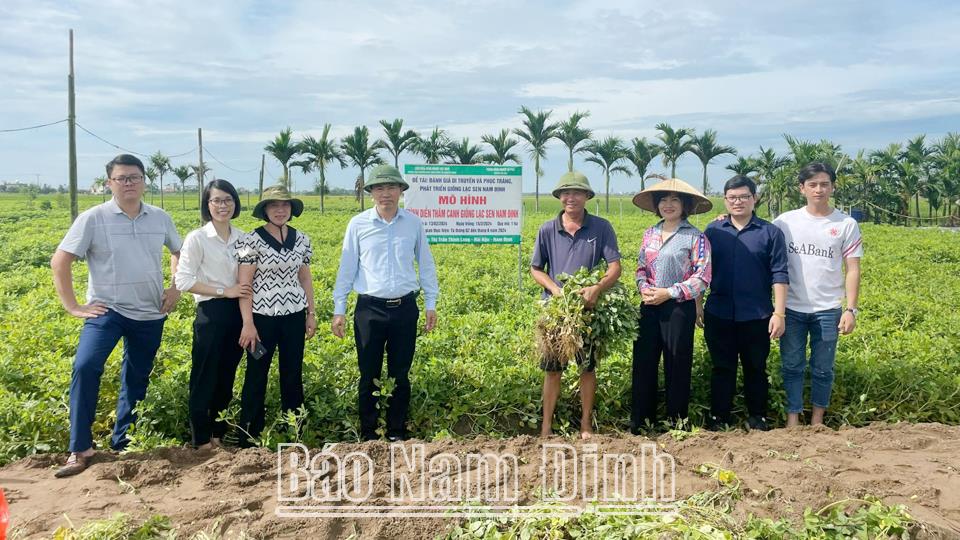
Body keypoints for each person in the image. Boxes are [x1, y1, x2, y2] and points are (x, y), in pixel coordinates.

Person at [51, 154, 182, 477]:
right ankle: (80, 448)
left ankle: (123, 441)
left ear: (144, 182)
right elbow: (60, 260)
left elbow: (180, 252)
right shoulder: (93, 218)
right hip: (106, 310)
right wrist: (73, 306)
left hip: (150, 312)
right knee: (85, 365)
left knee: (136, 377)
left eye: (135, 177)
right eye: (122, 178)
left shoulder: (160, 218)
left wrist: (175, 286)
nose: (129, 183)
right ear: (109, 183)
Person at [332, 165, 439, 442]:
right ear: (371, 193)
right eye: (379, 188)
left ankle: (396, 431)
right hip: (369, 309)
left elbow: (425, 264)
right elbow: (347, 268)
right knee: (368, 373)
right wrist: (339, 309)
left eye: (391, 187)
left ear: (401, 191)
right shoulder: (358, 224)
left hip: (404, 308)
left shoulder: (413, 223)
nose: (386, 193)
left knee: (400, 374)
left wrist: (431, 303)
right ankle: (369, 433)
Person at [530, 171, 621, 440]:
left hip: (587, 312)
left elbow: (615, 267)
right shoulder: (547, 229)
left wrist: (597, 288)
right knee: (552, 370)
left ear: (587, 197)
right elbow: (536, 269)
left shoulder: (601, 227)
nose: (571, 197)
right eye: (566, 193)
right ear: (559, 197)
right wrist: (554, 289)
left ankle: (585, 425)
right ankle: (546, 427)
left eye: (577, 192)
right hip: (557, 313)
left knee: (587, 369)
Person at [774, 162, 862, 427]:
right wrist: (725, 219)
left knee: (823, 368)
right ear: (802, 189)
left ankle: (817, 420)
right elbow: (757, 236)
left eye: (824, 184)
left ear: (832, 187)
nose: (819, 189)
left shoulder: (846, 224)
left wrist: (851, 309)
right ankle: (792, 418)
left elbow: (853, 269)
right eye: (812, 184)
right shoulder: (784, 222)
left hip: (828, 309)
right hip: (791, 308)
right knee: (792, 365)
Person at [703, 175, 788, 432]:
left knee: (756, 368)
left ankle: (758, 416)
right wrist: (698, 305)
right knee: (722, 367)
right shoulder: (713, 230)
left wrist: (779, 313)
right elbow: (700, 271)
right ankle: (720, 417)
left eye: (743, 197)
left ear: (754, 199)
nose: (738, 202)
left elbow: (780, 273)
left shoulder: (770, 232)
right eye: (732, 197)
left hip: (757, 314)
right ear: (725, 200)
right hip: (719, 312)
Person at [236, 184, 316, 445]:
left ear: (291, 209)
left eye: (285, 205)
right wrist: (248, 323)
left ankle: (294, 430)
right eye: (273, 205)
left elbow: (304, 277)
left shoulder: (302, 239)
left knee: (292, 372)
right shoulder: (250, 241)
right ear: (265, 210)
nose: (280, 210)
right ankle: (249, 434)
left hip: (293, 316)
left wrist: (310, 313)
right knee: (256, 373)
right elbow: (245, 286)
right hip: (262, 318)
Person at [174, 179, 252, 450]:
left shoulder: (244, 238)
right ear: (207, 205)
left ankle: (218, 434)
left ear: (235, 203)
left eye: (228, 200)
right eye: (216, 200)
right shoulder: (197, 238)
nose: (223, 205)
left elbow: (249, 278)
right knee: (204, 375)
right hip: (211, 311)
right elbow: (183, 280)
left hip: (238, 313)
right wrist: (223, 290)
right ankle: (201, 438)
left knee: (227, 375)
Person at [631, 178, 711, 433]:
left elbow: (702, 277)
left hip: (678, 308)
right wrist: (645, 288)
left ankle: (676, 421)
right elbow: (641, 267)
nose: (668, 204)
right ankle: (642, 421)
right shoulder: (649, 233)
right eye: (663, 200)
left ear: (685, 205)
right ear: (657, 205)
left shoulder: (695, 237)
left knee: (677, 362)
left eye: (674, 200)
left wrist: (669, 292)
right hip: (649, 304)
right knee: (644, 362)